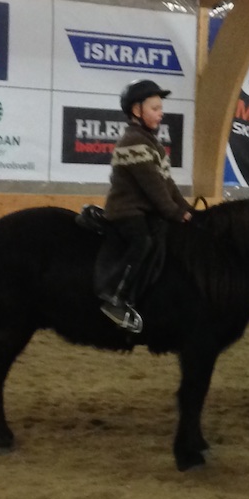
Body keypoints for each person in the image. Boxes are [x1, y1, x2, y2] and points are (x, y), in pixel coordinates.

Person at [96, 79, 192, 333]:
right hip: (126, 211)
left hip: (143, 211)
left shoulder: (152, 144)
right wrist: (175, 212)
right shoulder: (133, 143)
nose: (161, 113)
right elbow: (155, 188)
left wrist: (188, 210)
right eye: (155, 108)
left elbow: (169, 185)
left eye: (161, 108)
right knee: (143, 243)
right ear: (137, 111)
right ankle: (115, 297)